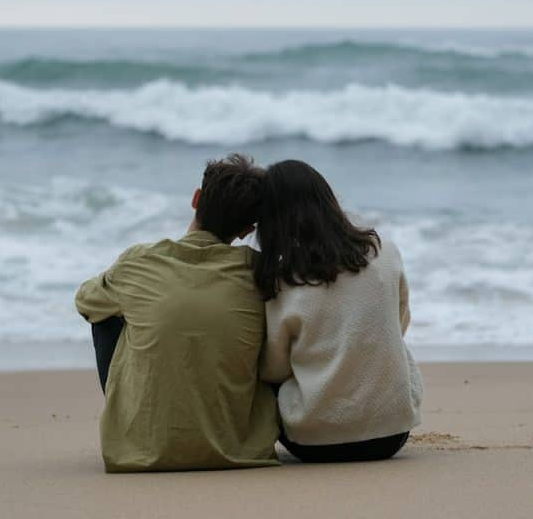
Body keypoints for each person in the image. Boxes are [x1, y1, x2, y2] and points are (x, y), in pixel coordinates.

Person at [75, 154, 279, 472]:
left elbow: (85, 302)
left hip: (140, 452)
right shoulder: (259, 272)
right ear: (246, 230)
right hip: (238, 449)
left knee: (106, 313)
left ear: (196, 199)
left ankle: (138, 424)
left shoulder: (140, 261)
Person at [254, 159, 423, 463]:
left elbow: (274, 369)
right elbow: (400, 325)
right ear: (327, 199)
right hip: (391, 434)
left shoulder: (281, 280)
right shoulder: (385, 251)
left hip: (313, 441)